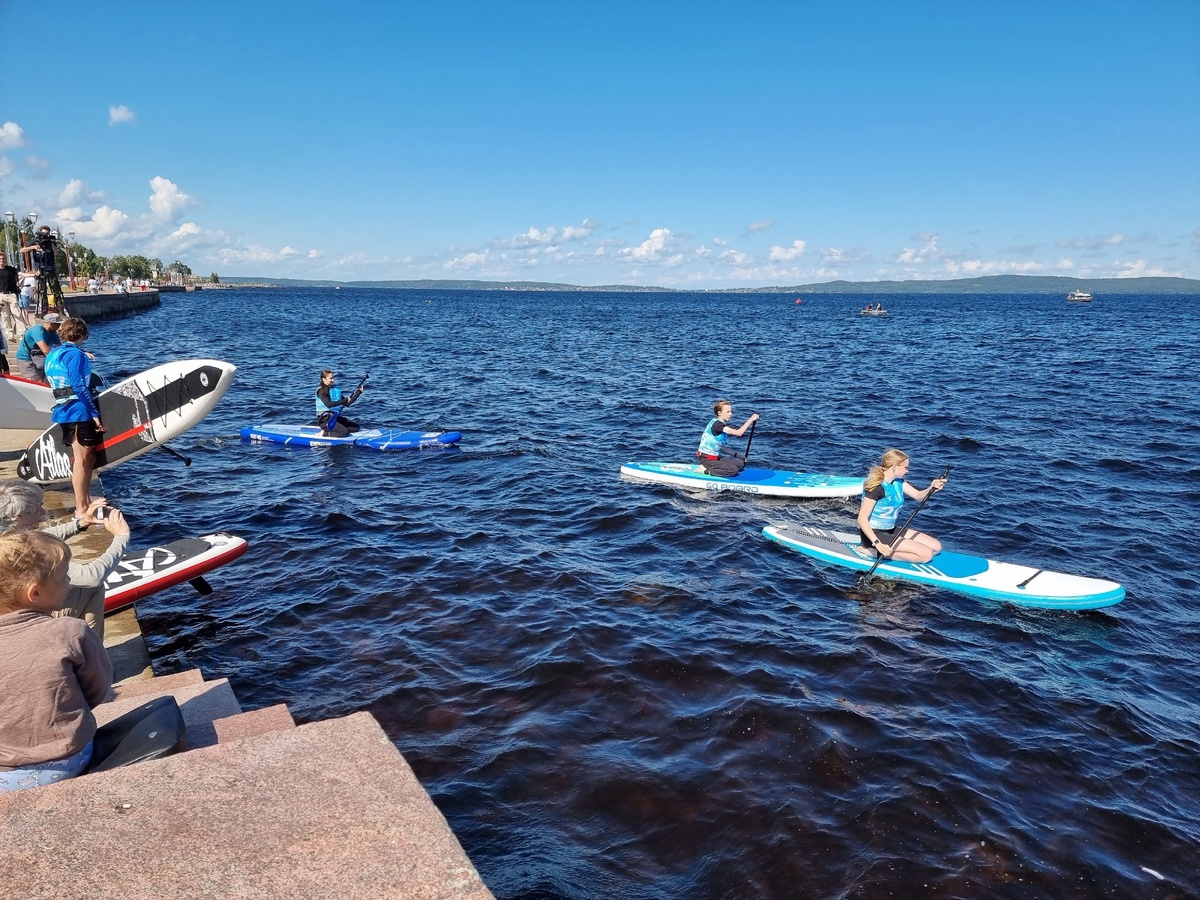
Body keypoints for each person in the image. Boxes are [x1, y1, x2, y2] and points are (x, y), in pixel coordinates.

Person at [0, 530, 114, 792]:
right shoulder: (70, 631)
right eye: (64, 576)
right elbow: (98, 690)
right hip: (66, 762)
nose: (70, 582)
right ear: (34, 593)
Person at [0, 481, 131, 642]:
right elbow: (92, 576)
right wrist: (121, 537)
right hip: (22, 623)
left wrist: (81, 523)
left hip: (8, 614)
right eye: (37, 507)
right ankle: (90, 655)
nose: (43, 511)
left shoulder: (7, 537)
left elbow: (42, 536)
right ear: (18, 515)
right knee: (93, 587)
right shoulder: (23, 552)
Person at [43, 318, 103, 518]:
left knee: (88, 458)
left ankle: (85, 502)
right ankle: (81, 508)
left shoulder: (54, 353)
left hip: (63, 410)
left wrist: (81, 355)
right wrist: (94, 413)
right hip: (78, 410)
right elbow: (78, 386)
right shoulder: (75, 355)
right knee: (83, 460)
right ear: (83, 335)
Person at [856, 449, 948, 563]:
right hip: (873, 535)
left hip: (889, 529)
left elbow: (918, 496)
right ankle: (873, 552)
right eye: (905, 467)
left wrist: (932, 488)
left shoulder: (898, 482)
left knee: (936, 546)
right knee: (926, 555)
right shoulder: (876, 487)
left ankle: (890, 549)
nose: (907, 471)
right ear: (894, 466)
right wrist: (877, 544)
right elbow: (862, 519)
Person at [695, 399, 759, 477]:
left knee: (740, 464)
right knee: (733, 470)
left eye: (730, 411)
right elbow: (739, 433)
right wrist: (751, 420)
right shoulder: (717, 426)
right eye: (728, 412)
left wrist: (738, 456)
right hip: (706, 459)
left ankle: (713, 468)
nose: (731, 414)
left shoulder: (720, 425)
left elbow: (720, 446)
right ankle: (704, 471)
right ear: (719, 413)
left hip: (715, 457)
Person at [20, 225, 64, 314]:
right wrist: (33, 247)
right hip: (39, 269)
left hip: (50, 268)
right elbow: (22, 250)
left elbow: (56, 253)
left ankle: (60, 309)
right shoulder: (35, 241)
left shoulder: (50, 242)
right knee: (41, 290)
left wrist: (51, 243)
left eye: (47, 233)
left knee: (56, 290)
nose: (45, 235)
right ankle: (44, 308)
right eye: (43, 233)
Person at [14, 311, 63, 382]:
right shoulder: (37, 331)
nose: (60, 327)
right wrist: (57, 363)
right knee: (35, 382)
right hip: (27, 359)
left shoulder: (53, 333)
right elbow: (45, 350)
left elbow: (59, 347)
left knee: (45, 381)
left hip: (40, 358)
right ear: (51, 324)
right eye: (58, 325)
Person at [314, 369, 364, 437]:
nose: (333, 380)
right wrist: (344, 400)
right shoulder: (321, 391)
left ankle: (332, 429)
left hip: (335, 418)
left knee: (355, 428)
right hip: (325, 420)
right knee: (344, 432)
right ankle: (324, 432)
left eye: (333, 378)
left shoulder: (335, 390)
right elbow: (328, 404)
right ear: (324, 379)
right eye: (330, 378)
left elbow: (347, 403)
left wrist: (358, 392)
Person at [0, 252, 21, 339]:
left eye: (3, 259)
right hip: (1, 295)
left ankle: (22, 332)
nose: (2, 260)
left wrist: (33, 274)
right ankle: (9, 333)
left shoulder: (10, 269)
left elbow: (20, 273)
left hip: (11, 294)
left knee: (17, 313)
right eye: (0, 259)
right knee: (5, 315)